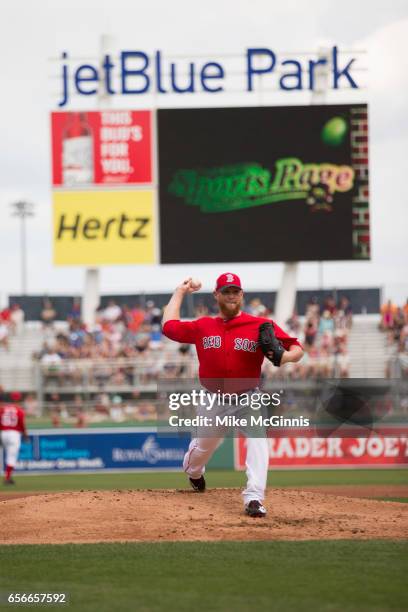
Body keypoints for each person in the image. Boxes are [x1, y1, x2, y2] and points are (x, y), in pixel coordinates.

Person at [162, 273, 303, 518]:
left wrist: (285, 357)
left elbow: (297, 348)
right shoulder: (203, 326)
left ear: (241, 295)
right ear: (216, 295)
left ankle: (254, 498)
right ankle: (195, 472)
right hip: (213, 399)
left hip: (248, 397)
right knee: (203, 449)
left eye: (235, 291)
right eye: (226, 291)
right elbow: (168, 327)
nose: (231, 295)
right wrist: (180, 291)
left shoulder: (260, 325)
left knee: (258, 442)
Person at [0, 392, 29, 485]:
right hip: (14, 434)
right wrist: (25, 435)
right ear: (19, 399)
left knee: (6, 455)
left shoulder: (3, 409)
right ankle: (7, 478)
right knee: (11, 456)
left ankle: (8, 477)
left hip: (3, 433)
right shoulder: (19, 410)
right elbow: (22, 424)